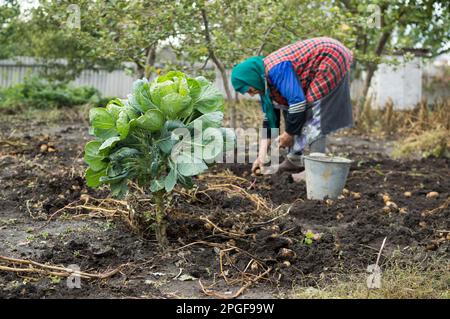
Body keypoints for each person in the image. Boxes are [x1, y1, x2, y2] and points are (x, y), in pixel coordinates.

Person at [231, 37, 353, 181]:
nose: (250, 94)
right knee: (287, 106)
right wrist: (261, 156)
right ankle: (294, 160)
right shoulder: (264, 82)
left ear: (250, 78)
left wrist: (289, 134)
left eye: (248, 89)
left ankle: (315, 169)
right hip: (324, 58)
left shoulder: (276, 69)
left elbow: (298, 103)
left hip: (330, 56)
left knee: (311, 108)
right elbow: (270, 120)